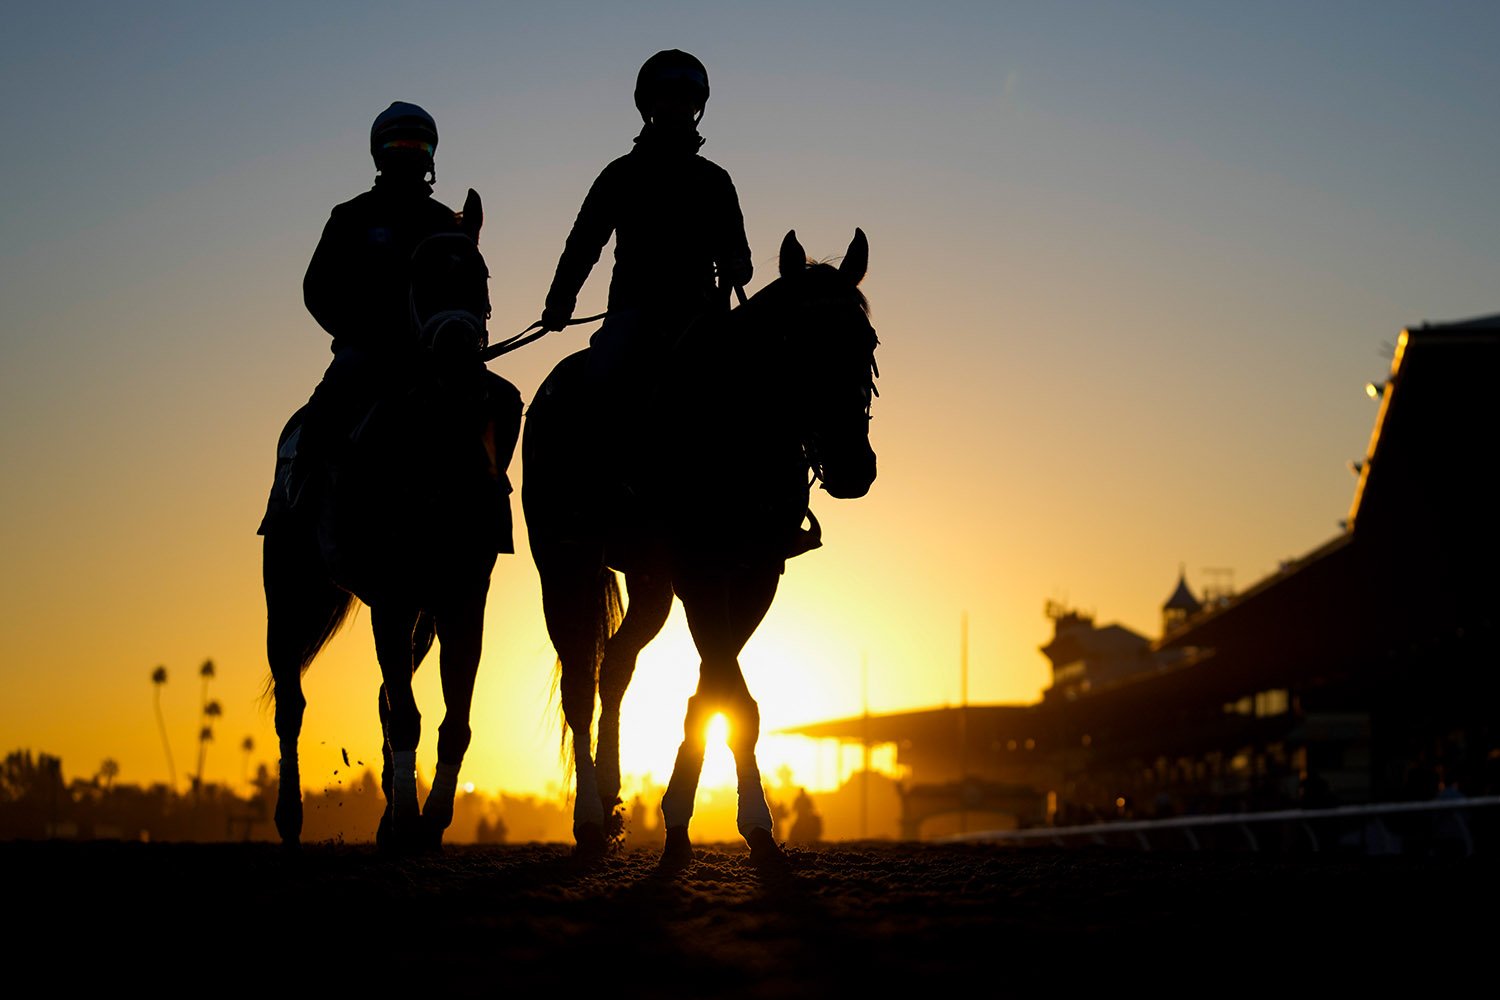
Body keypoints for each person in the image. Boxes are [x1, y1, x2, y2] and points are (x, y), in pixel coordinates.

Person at [285, 101, 470, 509]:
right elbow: (316, 288)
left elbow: (466, 287)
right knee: (330, 402)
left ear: (431, 157)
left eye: (420, 146)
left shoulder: (445, 221)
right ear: (380, 152)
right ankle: (301, 490)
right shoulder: (352, 216)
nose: (410, 152)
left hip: (435, 354)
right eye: (401, 143)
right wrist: (362, 333)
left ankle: (488, 503)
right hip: (367, 352)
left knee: (497, 400)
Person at [538, 49, 752, 387]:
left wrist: (738, 264)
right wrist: (560, 301)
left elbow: (738, 251)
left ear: (697, 109)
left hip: (702, 316)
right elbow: (583, 245)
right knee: (601, 381)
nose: (680, 108)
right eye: (670, 100)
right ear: (649, 106)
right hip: (632, 314)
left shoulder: (716, 180)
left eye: (687, 102)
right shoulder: (620, 175)